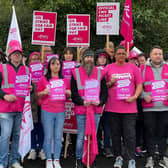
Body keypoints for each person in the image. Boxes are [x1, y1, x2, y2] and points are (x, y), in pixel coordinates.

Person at [104, 45, 143, 168]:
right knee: (115, 134)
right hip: (112, 107)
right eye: (118, 53)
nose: (121, 56)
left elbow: (139, 84)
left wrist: (134, 97)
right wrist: (111, 83)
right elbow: (101, 85)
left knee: (130, 135)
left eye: (123, 53)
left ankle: (131, 158)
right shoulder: (108, 68)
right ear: (114, 55)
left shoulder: (133, 68)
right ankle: (118, 157)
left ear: (126, 55)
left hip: (129, 108)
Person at [71, 49, 108, 168]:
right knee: (82, 136)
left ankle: (90, 160)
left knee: (93, 135)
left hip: (95, 110)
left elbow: (104, 93)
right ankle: (79, 159)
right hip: (82, 110)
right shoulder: (75, 72)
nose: (89, 59)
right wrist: (82, 102)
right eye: (87, 57)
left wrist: (100, 102)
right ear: (82, 59)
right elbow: (74, 93)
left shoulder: (99, 73)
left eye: (91, 57)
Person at [0, 40, 31, 168]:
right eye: (14, 53)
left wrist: (32, 88)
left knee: (18, 136)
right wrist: (5, 96)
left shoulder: (27, 70)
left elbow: (31, 86)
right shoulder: (2, 67)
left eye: (19, 54)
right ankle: (2, 162)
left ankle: (14, 160)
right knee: (5, 136)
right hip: (6, 108)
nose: (17, 56)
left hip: (21, 108)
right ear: (9, 55)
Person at [37, 57, 71, 168]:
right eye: (53, 64)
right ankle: (48, 159)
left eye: (57, 64)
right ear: (49, 66)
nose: (56, 66)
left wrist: (67, 92)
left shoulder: (65, 80)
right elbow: (37, 94)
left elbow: (69, 94)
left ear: (60, 66)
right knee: (48, 136)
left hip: (60, 111)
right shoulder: (43, 79)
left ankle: (56, 159)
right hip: (47, 111)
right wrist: (44, 92)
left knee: (58, 137)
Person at [140, 46, 168, 168]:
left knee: (163, 134)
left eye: (160, 54)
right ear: (150, 56)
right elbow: (136, 87)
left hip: (165, 107)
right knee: (149, 133)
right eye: (155, 53)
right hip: (149, 107)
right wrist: (143, 95)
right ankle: (150, 157)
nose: (158, 56)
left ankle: (163, 157)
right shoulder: (142, 68)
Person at [94, 49, 113, 157]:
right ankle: (95, 147)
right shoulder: (91, 69)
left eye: (105, 58)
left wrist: (110, 83)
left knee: (107, 126)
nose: (102, 59)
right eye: (100, 57)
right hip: (95, 102)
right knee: (95, 126)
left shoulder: (110, 69)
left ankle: (107, 147)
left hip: (107, 102)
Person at [27, 52, 45, 160]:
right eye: (33, 59)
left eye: (37, 59)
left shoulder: (45, 71)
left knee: (42, 126)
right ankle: (32, 148)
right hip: (31, 102)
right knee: (32, 126)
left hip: (43, 102)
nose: (35, 61)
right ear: (30, 62)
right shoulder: (26, 72)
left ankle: (42, 148)